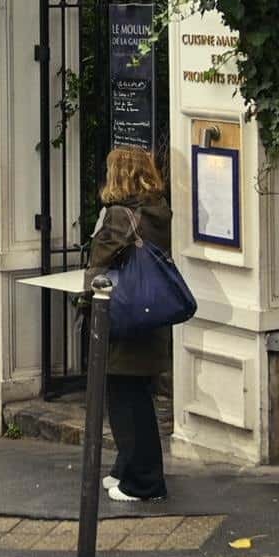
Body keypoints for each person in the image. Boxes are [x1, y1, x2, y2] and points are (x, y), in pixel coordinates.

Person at [86, 145, 176, 504]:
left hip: (122, 315)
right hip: (148, 316)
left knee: (126, 401)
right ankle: (126, 470)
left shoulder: (120, 216)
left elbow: (99, 262)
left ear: (118, 174)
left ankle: (144, 483)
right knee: (135, 396)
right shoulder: (156, 210)